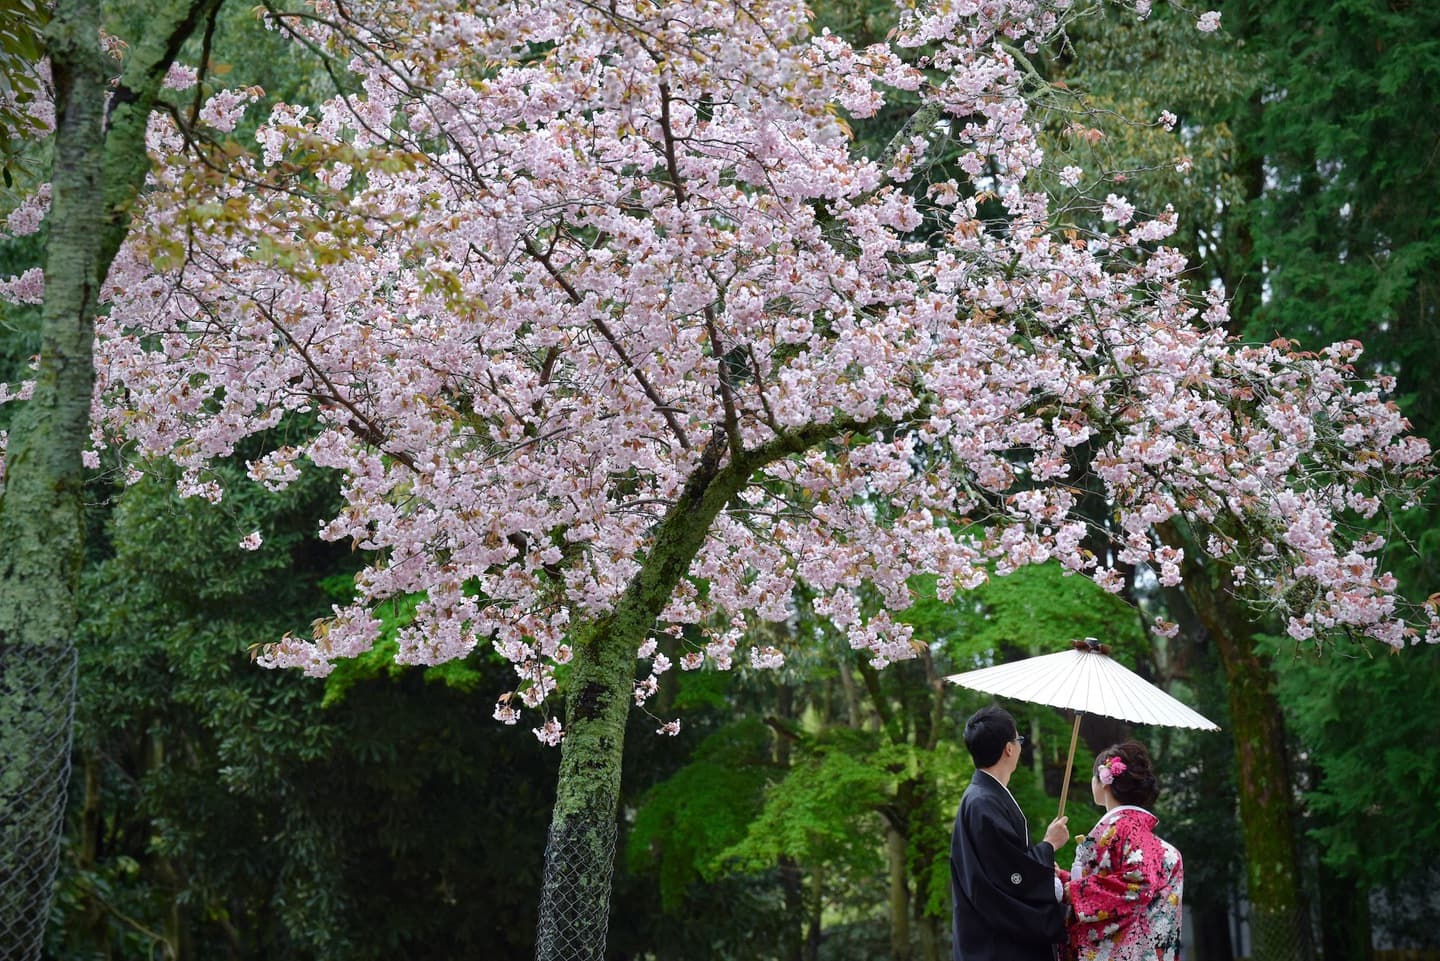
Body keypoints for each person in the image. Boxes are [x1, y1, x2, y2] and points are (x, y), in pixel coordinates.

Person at [951, 705, 1070, 961]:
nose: (1019, 746)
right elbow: (1010, 875)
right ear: (1008, 748)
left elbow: (1005, 863)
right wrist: (1048, 846)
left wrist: (1042, 861)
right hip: (995, 944)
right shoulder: (983, 801)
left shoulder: (983, 796)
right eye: (1018, 739)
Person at [1058, 741, 1184, 961]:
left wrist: (1074, 892)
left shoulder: (1123, 828)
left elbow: (1139, 884)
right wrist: (1064, 879)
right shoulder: (1136, 833)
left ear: (1104, 781)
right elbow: (1112, 883)